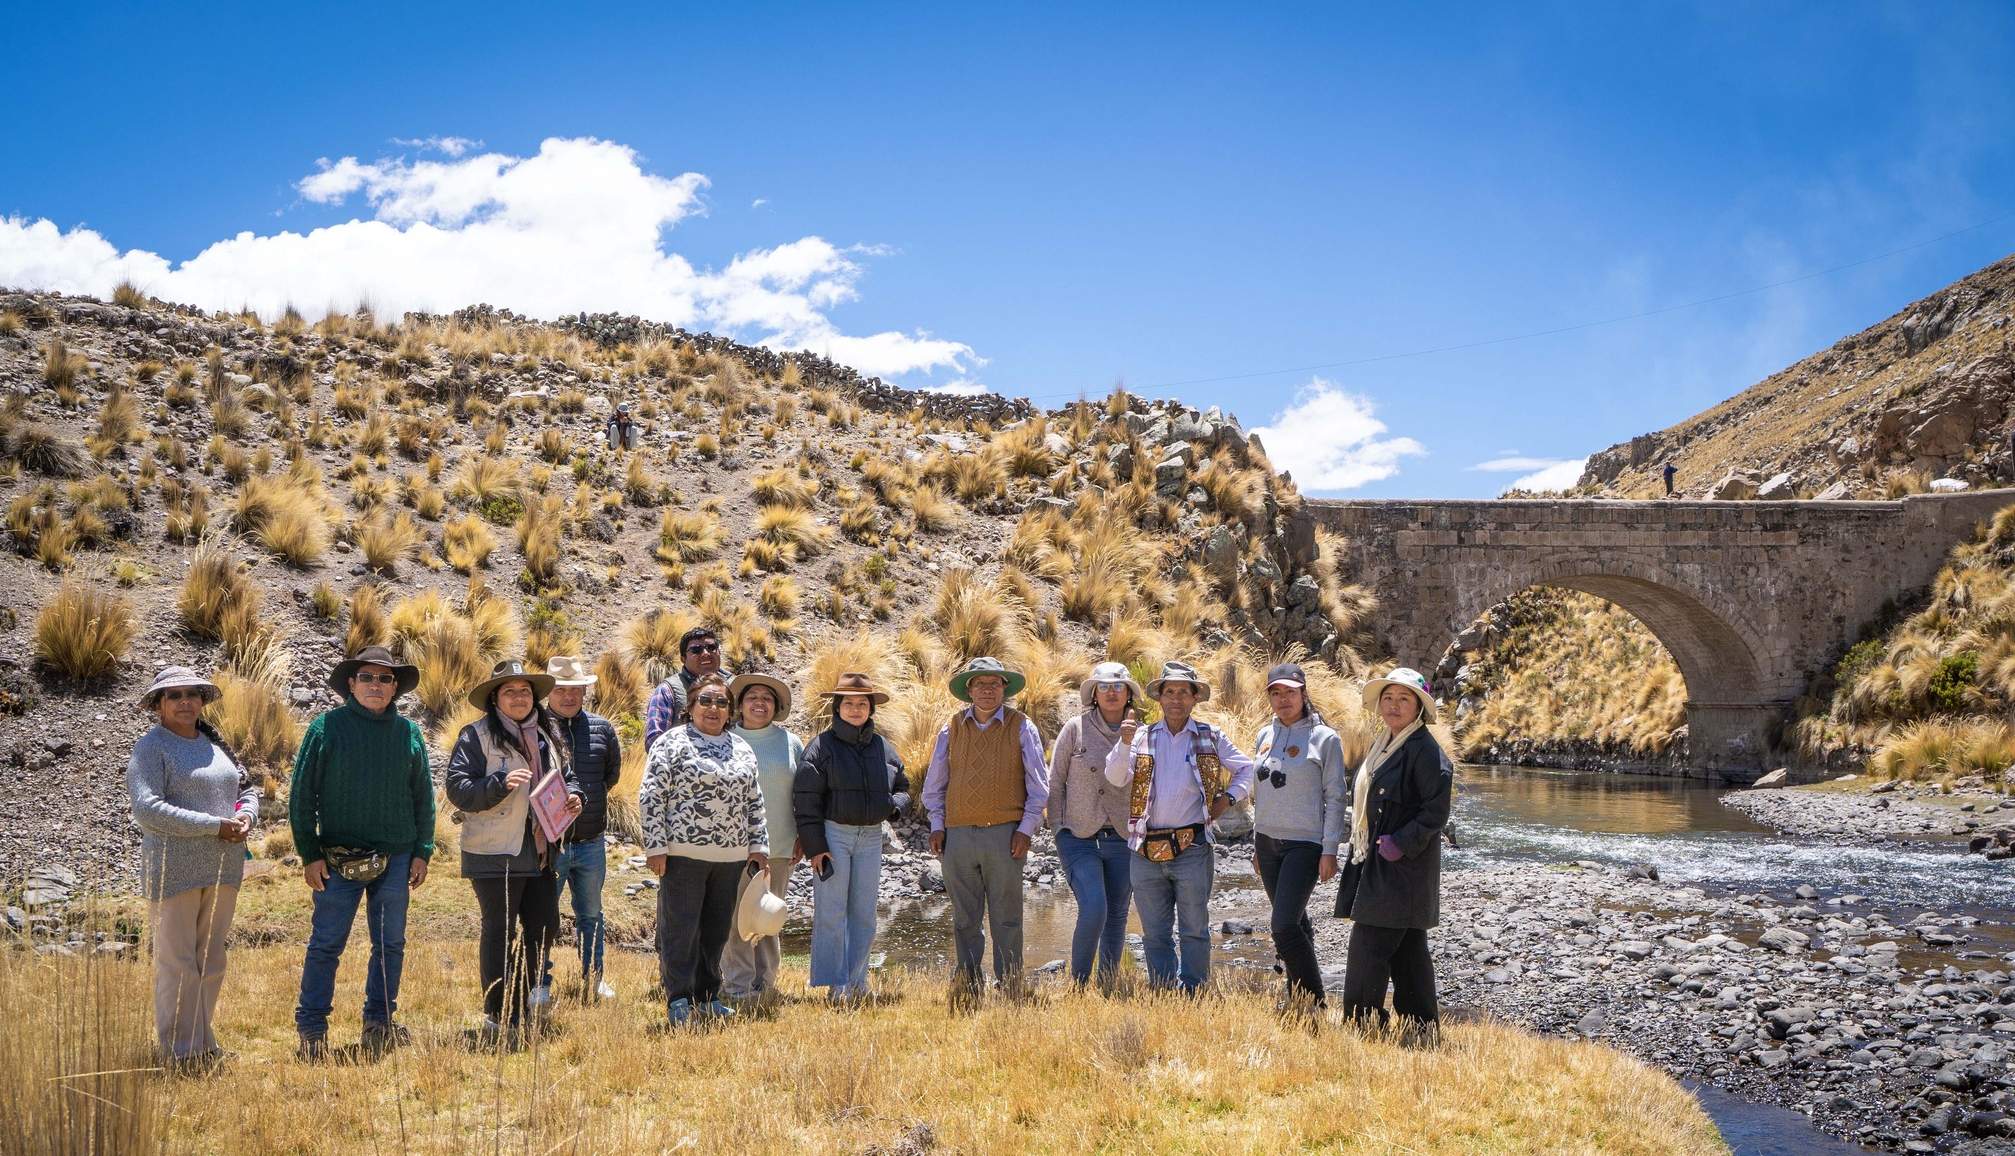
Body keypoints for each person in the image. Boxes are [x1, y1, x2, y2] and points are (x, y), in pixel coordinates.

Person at [289, 645, 435, 1061]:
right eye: (368, 677)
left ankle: (379, 1020)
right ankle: (312, 1028)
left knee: (390, 944)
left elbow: (423, 797)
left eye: (385, 678)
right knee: (326, 944)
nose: (376, 684)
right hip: (336, 858)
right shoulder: (325, 729)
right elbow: (302, 796)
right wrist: (309, 853)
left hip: (397, 856)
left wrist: (423, 850)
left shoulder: (409, 734)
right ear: (351, 684)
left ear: (395, 688)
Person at [126, 666, 260, 1070]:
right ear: (158, 705)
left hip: (223, 868)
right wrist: (214, 826)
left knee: (212, 959)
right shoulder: (150, 748)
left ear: (203, 701)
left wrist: (247, 818)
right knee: (177, 961)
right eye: (174, 695)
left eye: (192, 694)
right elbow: (147, 809)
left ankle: (202, 1044)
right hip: (174, 869)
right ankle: (177, 1052)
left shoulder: (217, 746)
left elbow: (246, 789)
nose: (185, 701)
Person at [445, 660, 583, 1046]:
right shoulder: (475, 736)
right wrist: (498, 784)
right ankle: (496, 1014)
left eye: (525, 691)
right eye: (510, 692)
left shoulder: (546, 734)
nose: (519, 698)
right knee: (500, 931)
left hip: (541, 851)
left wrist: (575, 798)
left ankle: (519, 1005)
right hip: (494, 852)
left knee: (544, 927)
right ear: (495, 699)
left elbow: (566, 778)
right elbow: (458, 789)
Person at [1103, 660, 1254, 994]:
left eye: (1183, 692)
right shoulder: (1141, 737)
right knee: (1154, 931)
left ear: (1194, 698)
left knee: (1194, 928)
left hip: (1193, 846)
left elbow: (1247, 769)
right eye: (1169, 692)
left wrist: (1227, 799)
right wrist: (1124, 742)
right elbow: (1114, 777)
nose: (1175, 699)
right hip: (1144, 847)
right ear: (1160, 698)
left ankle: (1194, 991)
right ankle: (1162, 990)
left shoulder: (1210, 736)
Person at [640, 671, 768, 1025]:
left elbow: (754, 801)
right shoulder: (672, 743)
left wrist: (758, 845)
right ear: (691, 706)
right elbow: (652, 796)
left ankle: (708, 995)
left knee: (715, 930)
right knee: (681, 928)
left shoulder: (741, 747)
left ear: (730, 710)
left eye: (721, 702)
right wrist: (656, 846)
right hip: (682, 854)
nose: (713, 708)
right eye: (705, 701)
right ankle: (678, 998)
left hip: (730, 856)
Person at [1335, 667, 1453, 1046]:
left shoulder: (1425, 751)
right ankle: (1421, 1028)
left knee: (1369, 942)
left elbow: (1435, 812)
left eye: (1404, 699)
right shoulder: (1386, 742)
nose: (1394, 705)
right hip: (1381, 864)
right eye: (1388, 697)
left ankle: (1362, 1024)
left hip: (1402, 868)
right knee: (1408, 950)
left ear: (1419, 707)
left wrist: (1401, 842)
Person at [923, 656, 1049, 1002]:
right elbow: (935, 785)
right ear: (969, 690)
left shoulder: (1022, 726)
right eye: (980, 684)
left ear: (1004, 689)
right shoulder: (951, 728)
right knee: (965, 916)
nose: (988, 690)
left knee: (1007, 915)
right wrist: (937, 824)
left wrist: (1025, 830)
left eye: (995, 683)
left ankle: (1009, 984)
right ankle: (968, 982)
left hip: (1006, 834)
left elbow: (1039, 787)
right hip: (957, 835)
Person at [794, 672, 909, 1003]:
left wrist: (893, 808)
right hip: (834, 836)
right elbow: (806, 802)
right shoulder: (821, 747)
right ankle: (836, 986)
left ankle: (858, 984)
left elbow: (903, 787)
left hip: (872, 839)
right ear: (837, 707)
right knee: (831, 912)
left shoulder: (882, 747)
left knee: (864, 914)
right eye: (849, 703)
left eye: (862, 703)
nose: (856, 709)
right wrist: (816, 848)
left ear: (870, 708)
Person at [1251, 662, 1348, 1011]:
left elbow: (1336, 796)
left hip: (1304, 845)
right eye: (1276, 693)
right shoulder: (1264, 735)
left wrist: (1330, 850)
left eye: (1290, 692)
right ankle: (1299, 999)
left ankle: (1314, 1002)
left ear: (1304, 693)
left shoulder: (1326, 739)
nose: (1283, 699)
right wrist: (1256, 845)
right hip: (1267, 843)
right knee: (1297, 921)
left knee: (1282, 926)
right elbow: (1259, 794)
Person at [1046, 660, 1140, 989]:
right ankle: (1080, 983)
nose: (1111, 693)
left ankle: (1107, 985)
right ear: (1094, 694)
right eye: (1104, 687)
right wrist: (1058, 828)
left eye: (1118, 687)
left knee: (1116, 915)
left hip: (1123, 838)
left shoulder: (1141, 735)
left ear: (1129, 693)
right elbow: (1055, 783)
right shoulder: (1075, 728)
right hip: (1078, 837)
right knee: (1095, 907)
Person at [539, 655, 622, 1002]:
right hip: (550, 844)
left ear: (584, 692)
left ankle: (594, 978)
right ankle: (539, 981)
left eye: (576, 689)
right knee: (543, 915)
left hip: (590, 842)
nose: (569, 696)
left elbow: (611, 776)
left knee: (591, 913)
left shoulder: (602, 729)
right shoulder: (536, 728)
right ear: (549, 692)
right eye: (561, 689)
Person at [720, 672, 803, 1004]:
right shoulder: (725, 739)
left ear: (776, 706)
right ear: (740, 705)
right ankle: (737, 985)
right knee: (736, 918)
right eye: (752, 697)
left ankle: (765, 982)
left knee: (770, 915)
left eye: (767, 698)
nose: (759, 703)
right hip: (732, 846)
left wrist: (803, 836)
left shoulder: (791, 743)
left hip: (780, 845)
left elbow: (804, 796)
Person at [643, 626, 729, 752]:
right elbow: (654, 740)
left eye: (711, 648)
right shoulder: (667, 690)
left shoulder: (735, 685)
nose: (705, 653)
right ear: (683, 658)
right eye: (696, 650)